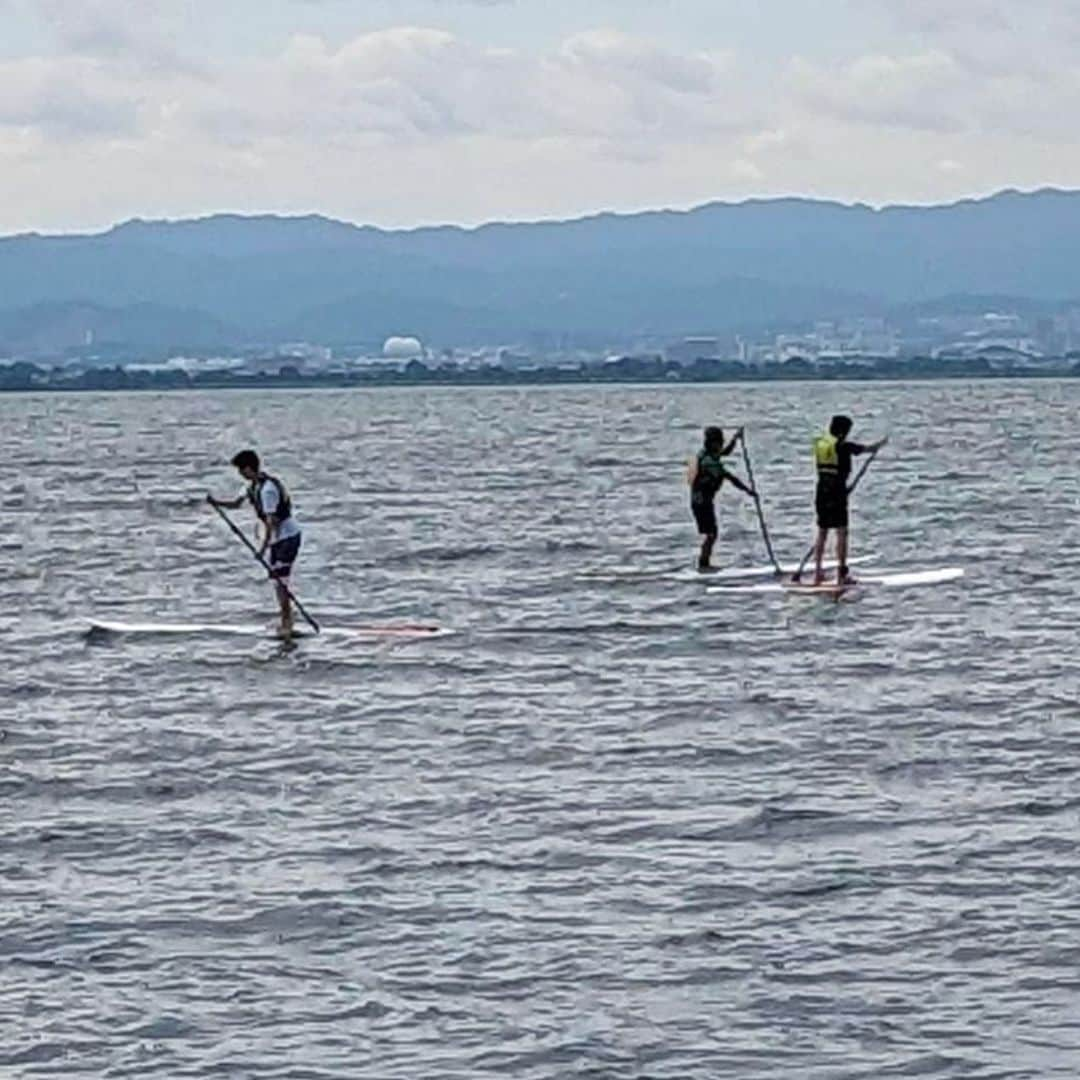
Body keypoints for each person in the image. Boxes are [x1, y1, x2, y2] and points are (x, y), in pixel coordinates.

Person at [209, 450, 302, 638]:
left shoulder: (268, 490)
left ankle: (287, 623)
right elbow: (236, 504)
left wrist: (263, 548)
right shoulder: (252, 487)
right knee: (277, 582)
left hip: (288, 538)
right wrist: (216, 503)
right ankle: (287, 617)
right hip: (277, 540)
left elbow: (271, 522)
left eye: (241, 470)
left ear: (249, 468)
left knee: (281, 582)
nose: (240, 474)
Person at [811, 415, 887, 586]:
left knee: (822, 532)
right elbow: (864, 449)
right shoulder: (843, 446)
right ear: (842, 431)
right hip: (837, 493)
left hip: (821, 491)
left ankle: (817, 574)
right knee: (842, 532)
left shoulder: (821, 444)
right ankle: (842, 575)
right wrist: (880, 445)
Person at [687, 425, 755, 571]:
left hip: (702, 500)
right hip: (701, 502)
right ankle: (703, 564)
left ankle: (704, 563)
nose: (722, 444)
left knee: (712, 533)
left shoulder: (709, 454)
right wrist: (748, 491)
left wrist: (735, 439)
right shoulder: (709, 462)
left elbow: (725, 452)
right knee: (711, 534)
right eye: (720, 442)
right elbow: (729, 477)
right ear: (713, 443)